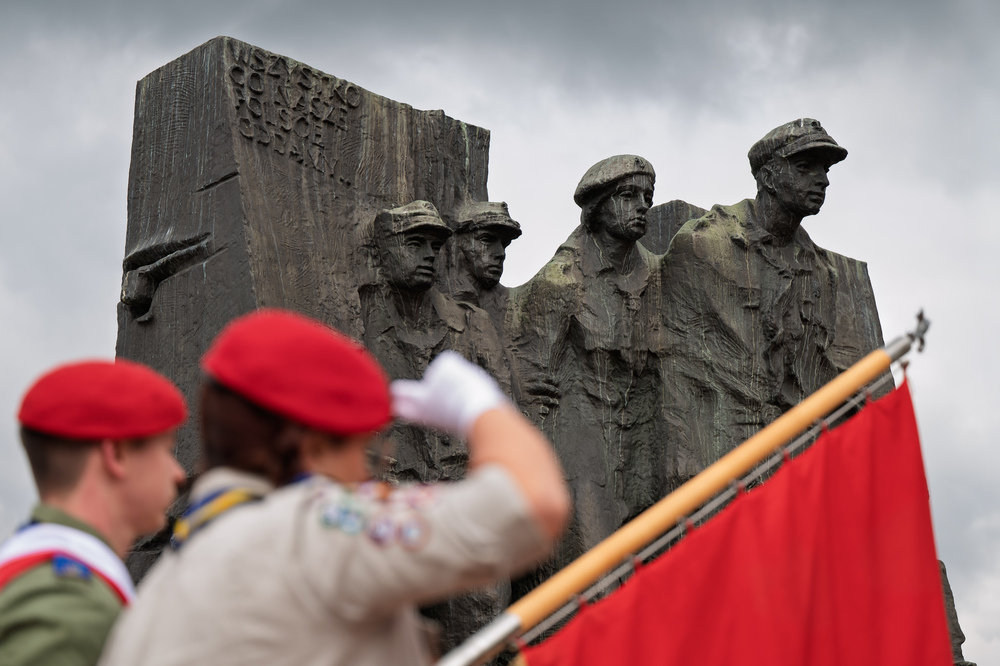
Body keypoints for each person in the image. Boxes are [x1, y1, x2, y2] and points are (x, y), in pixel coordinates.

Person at [98, 308, 569, 666]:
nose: (369, 473)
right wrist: (480, 408)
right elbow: (531, 502)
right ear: (315, 446)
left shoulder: (149, 605)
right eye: (366, 448)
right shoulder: (315, 530)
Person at [661, 118, 885, 485]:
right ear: (768, 178)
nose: (823, 180)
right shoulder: (705, 246)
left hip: (798, 454)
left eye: (825, 170)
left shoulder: (824, 272)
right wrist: (682, 450)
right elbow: (674, 363)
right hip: (721, 452)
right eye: (804, 168)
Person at [505, 155, 669, 595]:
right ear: (597, 207)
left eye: (647, 198)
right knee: (590, 567)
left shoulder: (659, 277)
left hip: (642, 436)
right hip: (579, 435)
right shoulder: (560, 283)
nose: (641, 207)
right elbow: (529, 375)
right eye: (627, 196)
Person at [0, 360, 187, 666]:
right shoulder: (70, 606)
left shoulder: (44, 576)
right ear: (116, 454)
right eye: (166, 451)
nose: (178, 473)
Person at [438, 200, 522, 333]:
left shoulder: (511, 305)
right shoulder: (438, 300)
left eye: (504, 244)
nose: (501, 253)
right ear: (460, 241)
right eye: (487, 240)